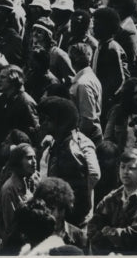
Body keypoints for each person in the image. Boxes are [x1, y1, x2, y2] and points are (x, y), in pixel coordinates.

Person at [37, 97, 100, 228]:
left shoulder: (75, 146)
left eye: (48, 120)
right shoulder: (56, 142)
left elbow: (93, 176)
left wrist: (77, 205)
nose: (43, 123)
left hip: (73, 218)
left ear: (60, 122)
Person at [87, 149, 137, 255]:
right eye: (122, 167)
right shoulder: (112, 197)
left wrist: (109, 232)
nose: (125, 171)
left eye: (131, 168)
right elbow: (92, 227)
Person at [0, 143, 39, 251]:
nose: (34, 162)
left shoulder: (29, 182)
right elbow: (11, 228)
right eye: (29, 158)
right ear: (19, 161)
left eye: (35, 157)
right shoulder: (9, 189)